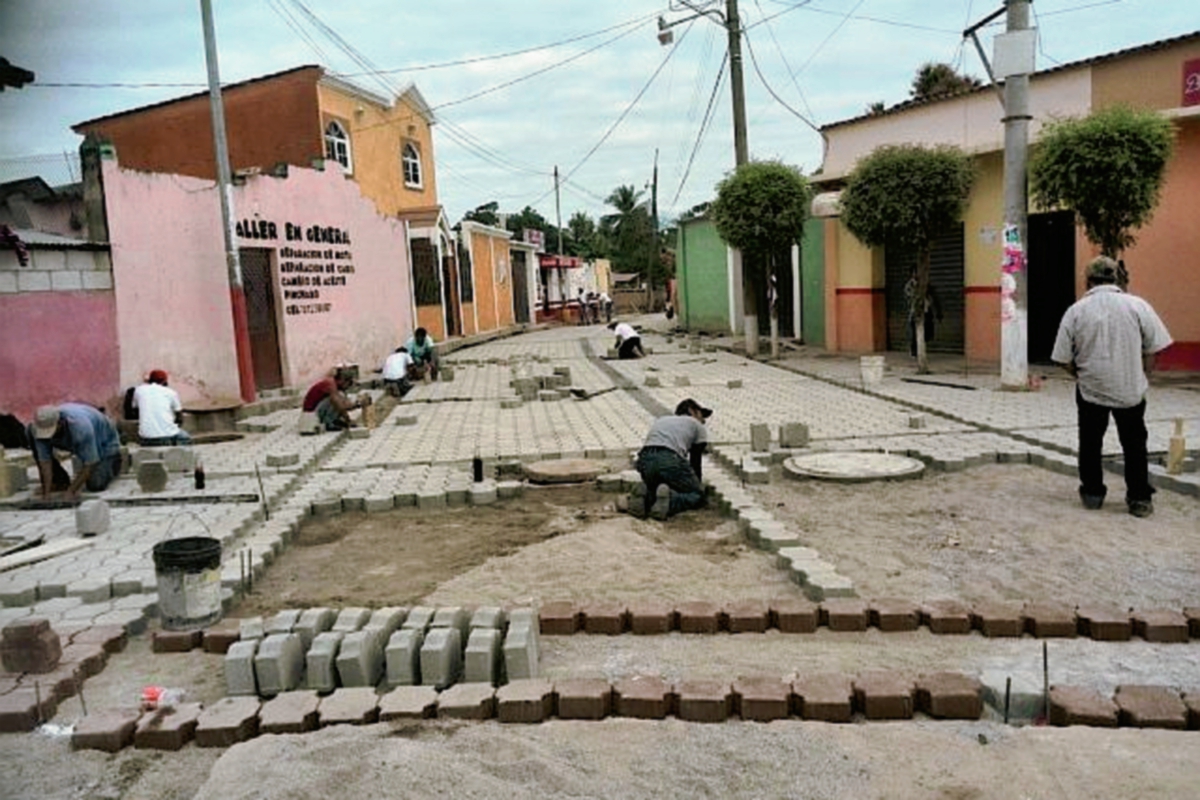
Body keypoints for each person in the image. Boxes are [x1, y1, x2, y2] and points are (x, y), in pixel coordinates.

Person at [1051, 256, 1173, 518]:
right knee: (1135, 444)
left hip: (1090, 389)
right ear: (1117, 278)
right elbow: (1155, 348)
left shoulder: (1076, 311)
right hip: (1130, 389)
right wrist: (1143, 375)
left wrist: (1080, 374)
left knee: (1091, 442)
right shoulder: (1138, 306)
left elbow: (1062, 357)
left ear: (1088, 280)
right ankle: (1139, 498)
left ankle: (1093, 493)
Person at [632, 398, 711, 520]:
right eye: (702, 415)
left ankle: (646, 496)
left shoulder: (663, 420)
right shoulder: (696, 425)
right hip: (669, 458)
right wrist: (697, 485)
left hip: (645, 460)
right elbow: (695, 461)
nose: (704, 420)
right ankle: (671, 502)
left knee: (660, 486)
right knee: (697, 495)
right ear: (692, 411)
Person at [27, 403, 123, 498]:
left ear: (60, 423)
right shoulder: (37, 429)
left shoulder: (81, 427)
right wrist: (46, 493)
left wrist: (72, 490)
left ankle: (114, 462)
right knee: (29, 433)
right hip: (78, 435)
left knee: (96, 484)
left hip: (105, 443)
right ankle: (59, 482)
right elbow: (45, 462)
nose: (47, 435)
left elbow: (90, 463)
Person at [132, 369, 191, 446]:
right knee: (185, 438)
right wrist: (174, 426)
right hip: (167, 435)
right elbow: (180, 417)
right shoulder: (171, 392)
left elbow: (135, 410)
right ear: (165, 381)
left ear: (149, 380)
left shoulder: (139, 390)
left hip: (145, 436)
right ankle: (179, 454)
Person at [904, 269, 942, 357]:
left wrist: (938, 311)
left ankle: (920, 348)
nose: (917, 274)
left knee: (928, 331)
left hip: (926, 311)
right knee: (915, 333)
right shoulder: (909, 286)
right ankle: (914, 351)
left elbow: (934, 296)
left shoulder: (925, 284)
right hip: (915, 312)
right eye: (915, 272)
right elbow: (910, 297)